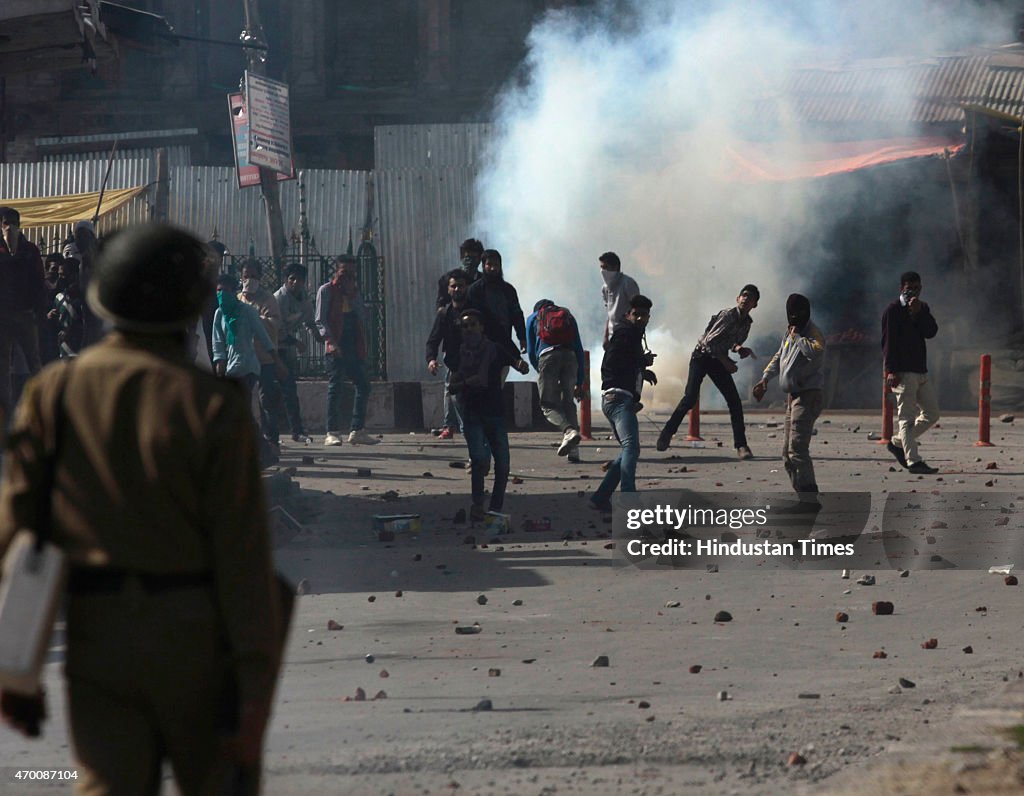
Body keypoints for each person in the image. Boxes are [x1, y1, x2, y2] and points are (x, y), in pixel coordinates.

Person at [0, 223, 282, 794]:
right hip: (196, 643)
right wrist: (254, 686)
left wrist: (15, 665)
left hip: (98, 642)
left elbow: (24, 537)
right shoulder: (213, 406)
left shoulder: (53, 392)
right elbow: (245, 560)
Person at [656, 285, 760, 459]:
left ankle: (741, 446)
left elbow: (730, 341)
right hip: (701, 356)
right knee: (689, 398)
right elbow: (709, 342)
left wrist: (739, 348)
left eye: (750, 298)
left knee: (734, 402)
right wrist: (726, 362)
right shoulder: (727, 315)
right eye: (744, 295)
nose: (745, 299)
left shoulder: (746, 324)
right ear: (737, 298)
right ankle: (667, 433)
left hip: (717, 359)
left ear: (754, 305)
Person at [450, 308, 530, 521]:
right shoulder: (458, 354)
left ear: (482, 327)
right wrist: (467, 382)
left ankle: (495, 507)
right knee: (478, 460)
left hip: (494, 412)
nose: (469, 329)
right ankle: (477, 504)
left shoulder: (494, 350)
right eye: (465, 326)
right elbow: (452, 386)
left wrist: (521, 365)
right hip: (472, 411)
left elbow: (514, 362)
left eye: (473, 324)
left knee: (502, 464)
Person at [753, 294, 826, 503]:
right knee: (787, 453)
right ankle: (802, 495)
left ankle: (809, 499)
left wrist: (797, 338)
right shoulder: (789, 332)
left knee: (798, 450)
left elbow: (815, 352)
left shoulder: (813, 333)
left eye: (798, 314)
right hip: (792, 399)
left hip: (807, 396)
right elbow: (779, 356)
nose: (794, 318)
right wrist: (765, 379)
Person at [589, 294, 657, 511]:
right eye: (636, 314)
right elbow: (612, 362)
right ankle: (628, 498)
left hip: (618, 399)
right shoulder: (624, 334)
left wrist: (643, 372)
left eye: (644, 315)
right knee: (631, 447)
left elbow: (625, 364)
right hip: (617, 398)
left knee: (628, 450)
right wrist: (641, 362)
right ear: (628, 314)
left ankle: (600, 498)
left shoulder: (632, 336)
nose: (640, 319)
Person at [211, 273, 288, 464]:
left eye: (226, 291)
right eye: (219, 291)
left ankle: (260, 452)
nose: (222, 295)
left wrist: (276, 361)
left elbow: (263, 336)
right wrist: (219, 363)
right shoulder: (220, 313)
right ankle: (258, 452)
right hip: (230, 369)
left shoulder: (247, 311)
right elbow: (217, 341)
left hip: (248, 367)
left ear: (234, 292)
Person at [315, 254, 377, 446]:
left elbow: (363, 316)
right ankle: (332, 431)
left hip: (353, 343)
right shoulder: (326, 291)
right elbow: (320, 319)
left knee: (363, 384)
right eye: (344, 273)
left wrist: (352, 294)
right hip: (335, 343)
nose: (347, 278)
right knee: (336, 386)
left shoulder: (355, 292)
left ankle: (357, 429)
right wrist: (330, 341)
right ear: (336, 272)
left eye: (351, 274)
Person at [881, 270, 940, 474]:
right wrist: (891, 370)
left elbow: (931, 332)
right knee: (906, 417)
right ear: (901, 289)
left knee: (932, 414)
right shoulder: (893, 310)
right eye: (909, 288)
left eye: (917, 288)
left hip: (920, 370)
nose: (913, 292)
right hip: (903, 372)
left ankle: (898, 443)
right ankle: (913, 460)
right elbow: (888, 343)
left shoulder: (921, 308)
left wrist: (919, 312)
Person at [0, 206, 46, 418]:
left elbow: (38, 282)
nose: (8, 227)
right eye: (4, 222)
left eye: (11, 222)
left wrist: (39, 311)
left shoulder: (30, 250)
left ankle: (42, 407)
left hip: (25, 314)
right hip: (3, 315)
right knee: (3, 367)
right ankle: (6, 413)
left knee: (34, 361)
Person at [526, 299, 585, 463]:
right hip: (570, 357)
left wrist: (540, 370)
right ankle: (574, 452)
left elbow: (531, 350)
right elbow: (579, 348)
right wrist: (580, 381)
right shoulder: (568, 315)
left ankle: (568, 431)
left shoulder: (533, 317)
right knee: (568, 402)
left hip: (548, 357)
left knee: (548, 404)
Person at [238, 260, 284, 454]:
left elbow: (274, 322)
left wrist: (254, 319)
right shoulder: (238, 298)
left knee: (266, 401)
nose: (250, 280)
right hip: (245, 360)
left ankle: (271, 439)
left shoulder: (268, 299)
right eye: (246, 276)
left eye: (254, 276)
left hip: (265, 358)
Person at [274, 263, 321, 443]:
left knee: (289, 391)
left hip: (286, 350)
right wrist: (296, 342)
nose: (295, 282)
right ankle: (270, 432)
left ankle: (296, 430)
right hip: (271, 348)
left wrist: (317, 335)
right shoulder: (279, 299)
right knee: (269, 392)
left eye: (299, 279)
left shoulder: (303, 298)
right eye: (292, 279)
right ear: (286, 280)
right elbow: (277, 329)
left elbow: (309, 320)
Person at [426, 269, 470, 439]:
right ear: (448, 290)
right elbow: (433, 339)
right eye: (454, 286)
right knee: (455, 396)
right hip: (454, 363)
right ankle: (461, 429)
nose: (457, 289)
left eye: (461, 286)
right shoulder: (445, 314)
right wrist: (431, 359)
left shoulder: (476, 311)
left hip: (476, 363)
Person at [465, 249, 527, 368]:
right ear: (483, 266)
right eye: (489, 265)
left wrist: (522, 337)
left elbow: (517, 314)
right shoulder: (475, 290)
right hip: (480, 346)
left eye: (496, 265)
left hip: (504, 342)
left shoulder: (508, 290)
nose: (493, 268)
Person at [46, 259, 86, 358]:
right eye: (59, 275)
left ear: (75, 275)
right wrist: (49, 317)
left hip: (81, 351)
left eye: (64, 275)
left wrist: (71, 331)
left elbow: (90, 326)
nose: (60, 278)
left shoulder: (84, 299)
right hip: (62, 351)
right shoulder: (59, 298)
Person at [599, 251, 640, 347]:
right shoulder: (605, 288)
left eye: (605, 267)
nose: (602, 271)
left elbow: (637, 310)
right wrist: (605, 337)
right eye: (601, 267)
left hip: (627, 335)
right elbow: (609, 314)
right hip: (612, 337)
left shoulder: (628, 283)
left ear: (615, 267)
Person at [435, 238, 484, 309]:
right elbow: (441, 303)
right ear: (461, 257)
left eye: (474, 258)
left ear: (479, 260)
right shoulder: (447, 279)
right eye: (467, 258)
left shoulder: (483, 281)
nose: (470, 262)